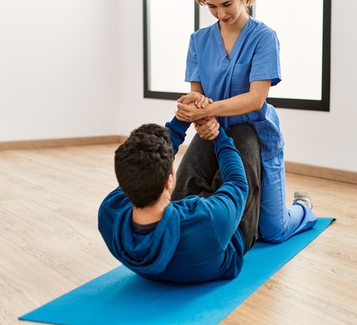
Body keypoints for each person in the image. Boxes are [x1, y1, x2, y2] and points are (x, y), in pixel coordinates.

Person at [174, 0, 317, 243]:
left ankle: (303, 206)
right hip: (214, 131)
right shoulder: (198, 40)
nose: (220, 13)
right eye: (211, 6)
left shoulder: (263, 37)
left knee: (273, 232)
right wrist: (200, 117)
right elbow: (197, 96)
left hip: (256, 134)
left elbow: (255, 99)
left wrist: (205, 112)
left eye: (227, 3)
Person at [97, 114, 261, 283]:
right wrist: (220, 138)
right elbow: (238, 183)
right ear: (169, 181)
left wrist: (184, 117)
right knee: (243, 131)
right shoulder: (209, 220)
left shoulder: (108, 212)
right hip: (225, 235)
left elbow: (157, 154)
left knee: (205, 134)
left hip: (195, 225)